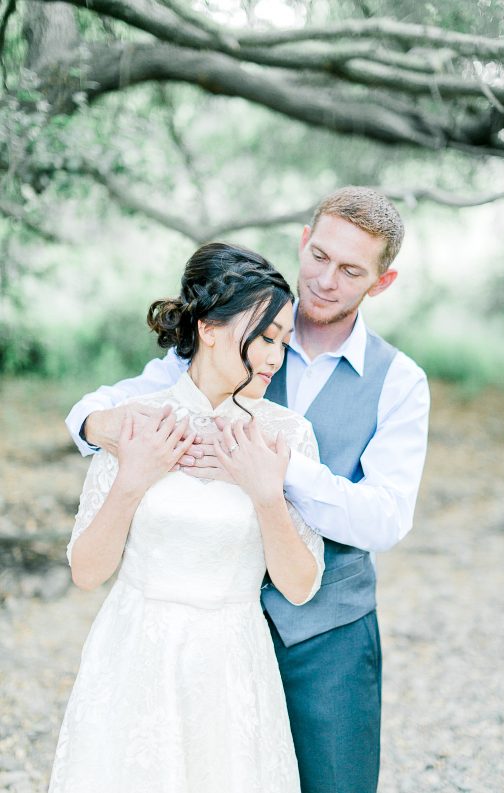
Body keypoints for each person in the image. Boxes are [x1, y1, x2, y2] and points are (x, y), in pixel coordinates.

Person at [66, 186, 430, 793]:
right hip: (197, 633)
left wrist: (275, 473)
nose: (325, 280)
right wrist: (107, 432)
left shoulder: (400, 382)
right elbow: (116, 403)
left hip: (327, 632)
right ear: (302, 242)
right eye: (319, 257)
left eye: (350, 271)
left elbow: (386, 519)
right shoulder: (244, 326)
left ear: (381, 282)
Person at [49, 243, 325, 793]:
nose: (274, 358)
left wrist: (265, 493)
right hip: (134, 654)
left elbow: (299, 587)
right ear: (209, 329)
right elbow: (85, 572)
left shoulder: (286, 435)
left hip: (232, 662)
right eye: (264, 338)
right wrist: (132, 480)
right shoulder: (134, 423)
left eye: (283, 343)